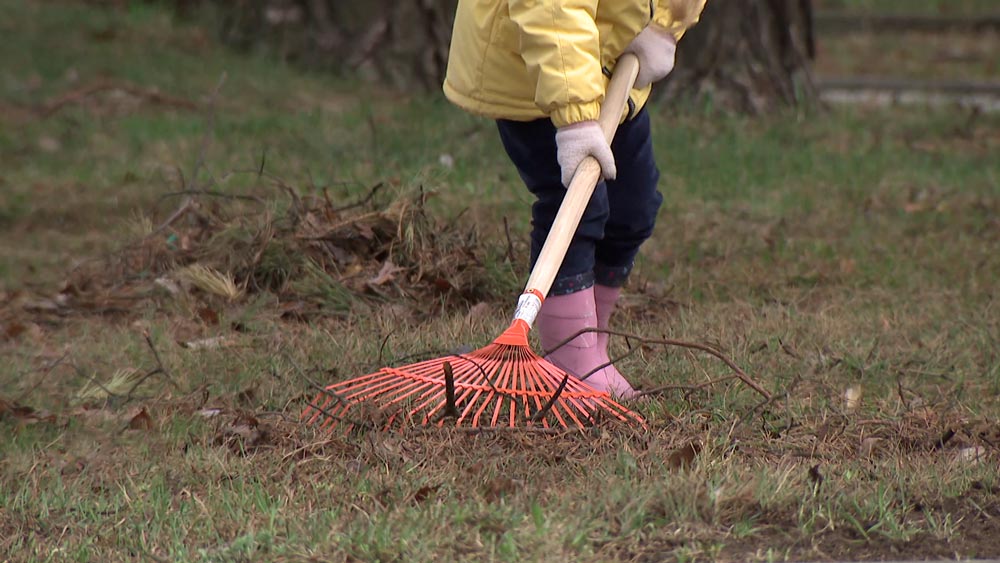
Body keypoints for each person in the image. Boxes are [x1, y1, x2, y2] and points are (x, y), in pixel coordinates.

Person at [443, 0, 707, 398]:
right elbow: (549, 11)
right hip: (536, 77)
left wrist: (665, 25)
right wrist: (576, 118)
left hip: (612, 67)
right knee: (578, 206)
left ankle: (591, 345)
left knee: (633, 209)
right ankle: (573, 362)